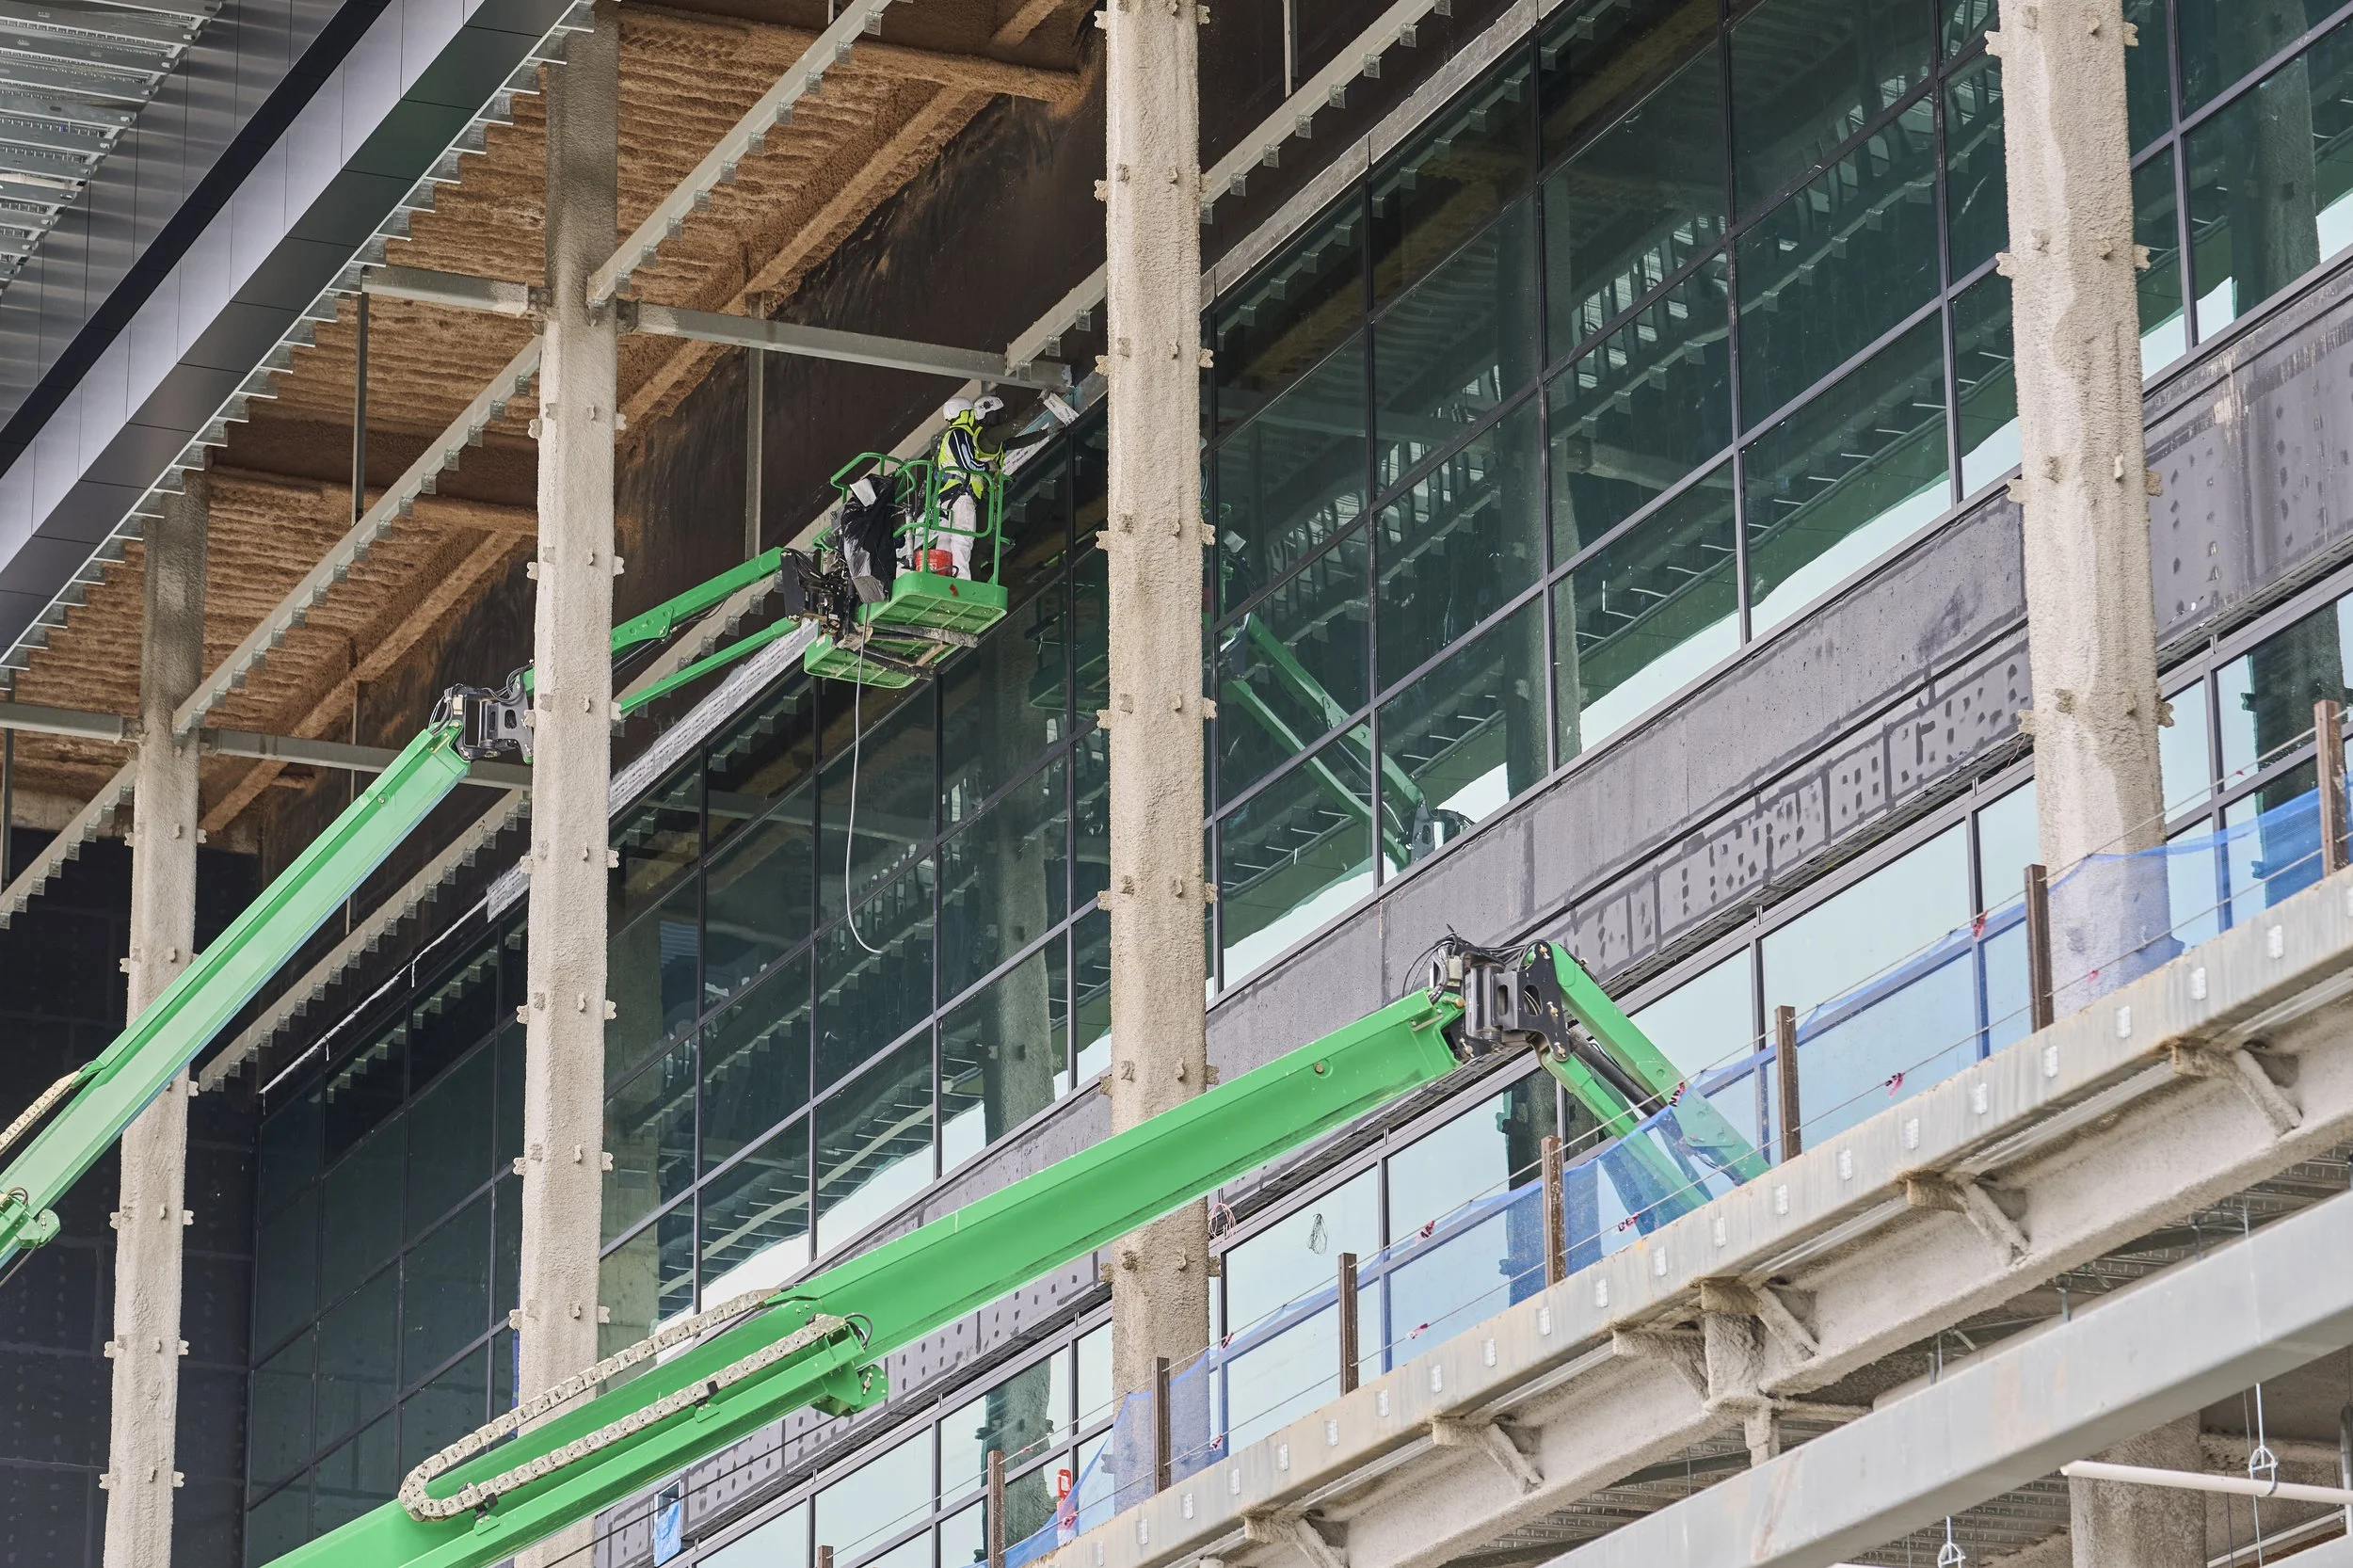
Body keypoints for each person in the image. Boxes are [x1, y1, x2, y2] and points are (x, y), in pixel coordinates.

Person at [931, 394, 1051, 577]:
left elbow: (1017, 441)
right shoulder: (983, 435)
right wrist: (1042, 402)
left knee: (949, 538)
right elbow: (1014, 428)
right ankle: (963, 580)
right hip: (964, 494)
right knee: (966, 540)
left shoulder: (973, 436)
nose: (1003, 416)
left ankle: (944, 575)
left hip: (956, 495)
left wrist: (1046, 433)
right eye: (999, 413)